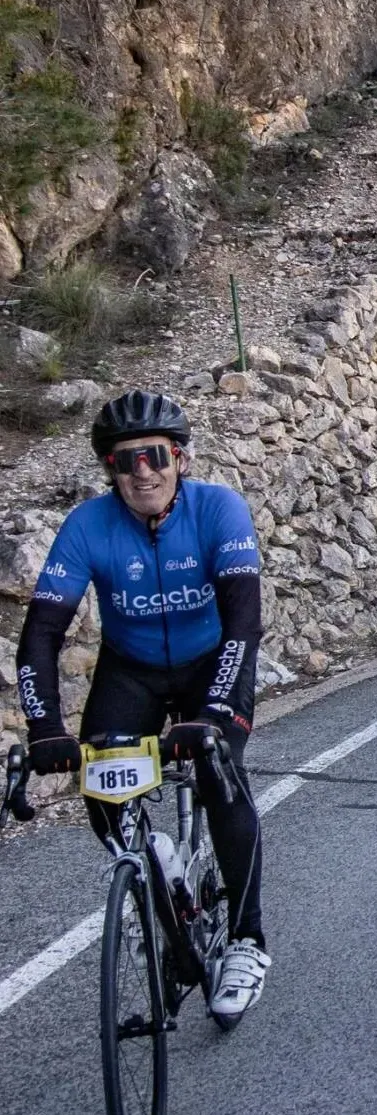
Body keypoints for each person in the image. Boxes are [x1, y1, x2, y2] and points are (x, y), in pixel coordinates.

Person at [15, 392, 271, 1026]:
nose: (142, 472)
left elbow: (243, 622)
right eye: (123, 461)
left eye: (156, 456)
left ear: (180, 458)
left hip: (212, 660)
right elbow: (42, 633)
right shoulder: (88, 526)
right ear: (109, 469)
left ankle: (246, 940)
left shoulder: (219, 510)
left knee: (219, 776)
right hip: (130, 669)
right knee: (101, 786)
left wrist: (212, 716)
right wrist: (45, 727)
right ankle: (155, 882)